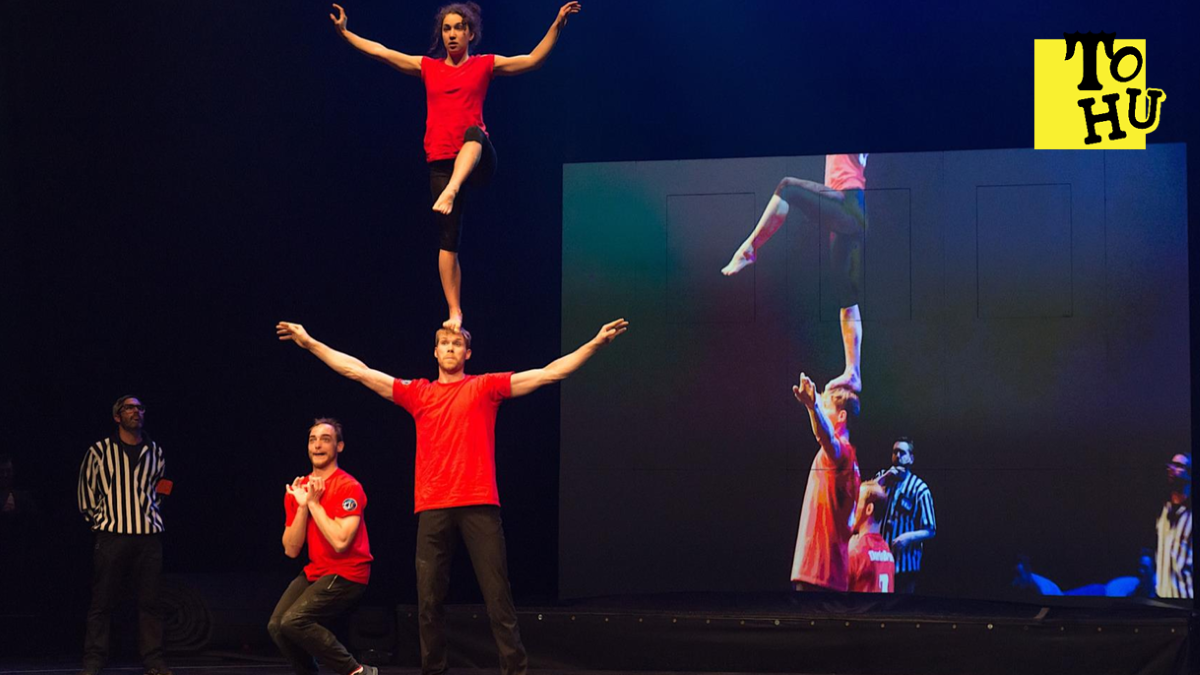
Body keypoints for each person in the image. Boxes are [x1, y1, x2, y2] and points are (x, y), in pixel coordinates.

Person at [276, 317, 628, 675]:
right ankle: (434, 671)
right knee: (428, 601)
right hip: (433, 508)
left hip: (479, 504)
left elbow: (548, 374)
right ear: (435, 352)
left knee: (497, 598)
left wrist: (594, 344)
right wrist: (310, 342)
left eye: (457, 344)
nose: (450, 348)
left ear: (467, 353)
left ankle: (515, 670)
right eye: (444, 343)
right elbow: (360, 371)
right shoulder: (419, 393)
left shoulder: (484, 387)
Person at [330, 1, 582, 332]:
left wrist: (558, 24)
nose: (451, 34)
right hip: (440, 160)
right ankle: (455, 311)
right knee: (448, 240)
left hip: (479, 160)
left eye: (458, 28)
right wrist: (346, 33)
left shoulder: (483, 65)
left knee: (473, 134)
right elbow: (382, 52)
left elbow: (532, 59)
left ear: (470, 33)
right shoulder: (428, 68)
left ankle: (452, 189)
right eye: (446, 29)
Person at [722, 154, 868, 392]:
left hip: (847, 203)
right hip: (851, 216)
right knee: (847, 298)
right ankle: (854, 372)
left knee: (787, 187)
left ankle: (749, 249)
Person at [268, 419, 377, 675]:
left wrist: (315, 504)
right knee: (277, 626)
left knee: (295, 620)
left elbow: (341, 543)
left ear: (339, 446)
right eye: (312, 439)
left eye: (325, 439)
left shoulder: (348, 487)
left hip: (348, 572)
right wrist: (303, 506)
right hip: (317, 571)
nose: (317, 445)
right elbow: (291, 549)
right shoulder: (298, 490)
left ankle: (358, 672)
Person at [76, 395, 171, 675]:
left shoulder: (155, 451)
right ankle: (93, 660)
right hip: (112, 535)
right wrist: (99, 523)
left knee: (150, 601)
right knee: (102, 601)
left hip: (148, 536)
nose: (136, 412)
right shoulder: (99, 451)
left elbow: (163, 487)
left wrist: (151, 512)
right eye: (129, 408)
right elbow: (86, 492)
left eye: (140, 407)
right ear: (117, 416)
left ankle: (153, 660)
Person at [789, 373, 861, 592]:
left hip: (820, 573)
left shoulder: (842, 453)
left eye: (825, 405)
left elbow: (827, 437)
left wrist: (813, 407)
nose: (821, 405)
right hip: (827, 574)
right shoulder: (848, 459)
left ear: (841, 417)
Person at [873, 437, 936, 594]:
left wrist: (908, 537)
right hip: (879, 559)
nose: (898, 456)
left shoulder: (920, 489)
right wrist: (883, 479)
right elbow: (862, 496)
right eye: (895, 452)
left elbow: (930, 529)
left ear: (911, 458)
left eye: (902, 452)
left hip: (905, 565)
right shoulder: (883, 477)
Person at [848, 478, 896, 593]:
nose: (852, 509)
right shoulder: (887, 552)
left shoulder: (855, 550)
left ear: (869, 509)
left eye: (856, 503)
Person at [1155, 452, 1192, 598]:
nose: (1171, 468)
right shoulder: (1163, 510)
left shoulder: (1191, 516)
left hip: (1186, 602)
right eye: (1171, 464)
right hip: (1162, 599)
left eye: (1178, 466)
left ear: (1190, 473)